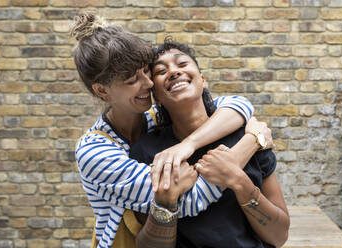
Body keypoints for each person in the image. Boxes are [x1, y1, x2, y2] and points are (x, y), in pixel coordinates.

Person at [71, 13, 273, 248]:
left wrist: (188, 144)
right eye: (131, 80)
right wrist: (251, 142)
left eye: (146, 71)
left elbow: (238, 104)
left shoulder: (155, 116)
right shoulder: (95, 152)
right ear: (102, 91)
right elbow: (188, 202)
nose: (148, 84)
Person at [129, 39, 290, 248]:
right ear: (156, 96)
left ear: (202, 79)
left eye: (182, 64)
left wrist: (239, 181)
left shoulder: (247, 135)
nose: (174, 72)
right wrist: (165, 203)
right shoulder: (147, 152)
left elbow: (279, 236)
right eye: (161, 71)